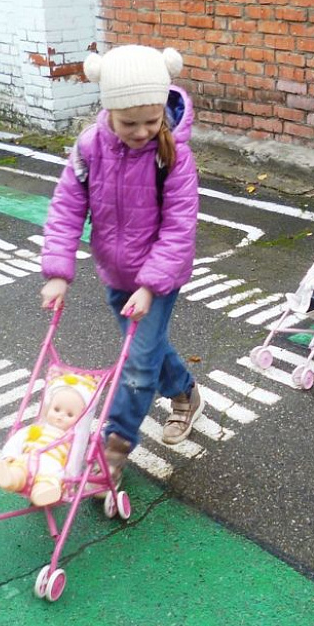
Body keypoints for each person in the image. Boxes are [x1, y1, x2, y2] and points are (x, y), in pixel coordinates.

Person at [39, 44, 204, 485]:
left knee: (135, 364)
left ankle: (114, 446)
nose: (142, 131)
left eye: (152, 122)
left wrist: (151, 285)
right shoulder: (90, 147)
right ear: (107, 110)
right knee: (146, 350)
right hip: (114, 273)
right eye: (129, 123)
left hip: (157, 279)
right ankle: (186, 392)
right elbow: (67, 206)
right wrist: (57, 272)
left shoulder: (173, 156)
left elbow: (179, 226)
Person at [0, 369, 97, 506]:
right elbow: (17, 440)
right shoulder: (36, 429)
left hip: (52, 465)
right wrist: (10, 455)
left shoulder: (71, 438)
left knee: (50, 481)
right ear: (48, 408)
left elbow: (74, 458)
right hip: (28, 459)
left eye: (69, 415)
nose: (60, 416)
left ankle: (42, 493)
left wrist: (70, 478)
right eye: (56, 409)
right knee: (19, 469)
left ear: (79, 419)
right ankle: (11, 479)